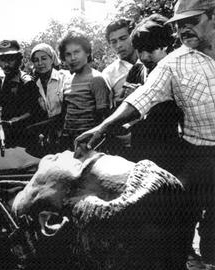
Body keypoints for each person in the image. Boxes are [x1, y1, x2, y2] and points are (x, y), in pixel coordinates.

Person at [75, 0, 215, 266]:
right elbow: (142, 97)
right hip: (196, 155)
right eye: (179, 25)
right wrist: (103, 126)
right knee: (180, 225)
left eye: (192, 22)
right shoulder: (174, 63)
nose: (184, 30)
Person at [124, 14, 183, 173]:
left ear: (165, 45)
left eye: (150, 50)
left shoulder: (177, 71)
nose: (144, 57)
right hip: (139, 148)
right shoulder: (136, 70)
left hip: (169, 150)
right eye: (140, 50)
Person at [58, 31, 111, 149]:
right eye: (68, 54)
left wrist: (92, 143)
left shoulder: (96, 79)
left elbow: (103, 116)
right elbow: (66, 113)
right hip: (69, 141)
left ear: (87, 52)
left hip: (89, 142)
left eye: (77, 52)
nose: (73, 58)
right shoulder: (67, 80)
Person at [0, 39, 39, 147]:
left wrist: (16, 121)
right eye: (2, 60)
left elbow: (35, 112)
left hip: (23, 138)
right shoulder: (0, 82)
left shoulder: (27, 83)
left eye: (10, 59)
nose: (6, 64)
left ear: (18, 60)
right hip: (2, 135)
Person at [30, 43, 71, 149]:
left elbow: (68, 112)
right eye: (36, 60)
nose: (40, 63)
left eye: (44, 58)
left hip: (68, 133)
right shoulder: (34, 84)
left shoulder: (65, 77)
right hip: (49, 137)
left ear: (52, 59)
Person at [102, 18, 138, 107]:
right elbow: (107, 110)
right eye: (113, 42)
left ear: (133, 36)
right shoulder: (108, 74)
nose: (118, 45)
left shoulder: (151, 60)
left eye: (123, 38)